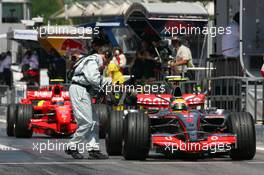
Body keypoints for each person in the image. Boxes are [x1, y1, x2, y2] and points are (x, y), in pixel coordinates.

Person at [65, 46, 112, 160]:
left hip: (84, 91)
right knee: (86, 122)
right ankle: (72, 146)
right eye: (107, 62)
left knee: (94, 122)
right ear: (105, 56)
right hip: (79, 90)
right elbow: (93, 79)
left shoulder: (91, 60)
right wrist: (109, 81)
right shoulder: (92, 61)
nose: (106, 65)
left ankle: (93, 149)